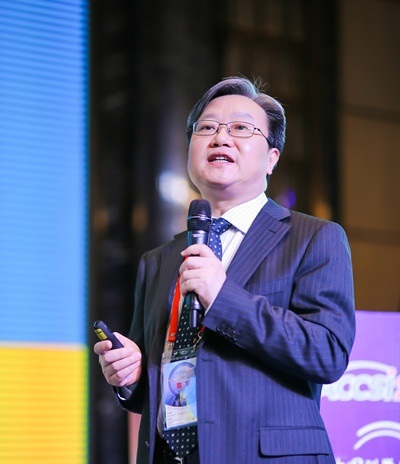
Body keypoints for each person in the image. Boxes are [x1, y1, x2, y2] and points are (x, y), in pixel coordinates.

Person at [94, 76, 356, 464]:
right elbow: (170, 375)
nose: (220, 138)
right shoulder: (158, 259)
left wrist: (223, 298)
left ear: (272, 158)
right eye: (207, 128)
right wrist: (133, 376)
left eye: (240, 129)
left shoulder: (313, 238)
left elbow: (327, 353)